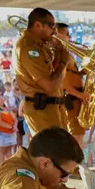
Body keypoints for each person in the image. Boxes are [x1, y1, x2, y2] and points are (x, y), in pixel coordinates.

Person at [14, 8, 68, 136]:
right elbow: (50, 86)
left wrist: (59, 52)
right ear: (38, 25)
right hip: (42, 109)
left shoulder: (39, 45)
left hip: (52, 106)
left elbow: (54, 73)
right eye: (51, 26)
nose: (54, 30)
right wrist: (63, 62)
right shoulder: (28, 47)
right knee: (53, 152)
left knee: (63, 150)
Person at [55, 23, 89, 148]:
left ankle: (77, 166)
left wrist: (85, 71)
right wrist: (81, 95)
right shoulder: (60, 56)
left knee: (79, 136)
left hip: (76, 99)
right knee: (75, 138)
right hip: (72, 100)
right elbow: (62, 84)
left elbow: (72, 76)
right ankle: (74, 167)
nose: (69, 37)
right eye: (66, 34)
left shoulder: (67, 55)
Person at [0, 94, 18, 162]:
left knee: (9, 151)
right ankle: (1, 168)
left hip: (10, 133)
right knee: (2, 152)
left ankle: (10, 166)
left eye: (2, 98)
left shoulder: (7, 108)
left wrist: (15, 126)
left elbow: (15, 119)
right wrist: (11, 127)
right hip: (0, 134)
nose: (1, 99)